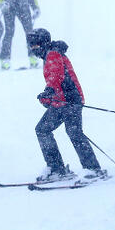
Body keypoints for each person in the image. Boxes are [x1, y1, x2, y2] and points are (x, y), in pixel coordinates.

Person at [28, 28, 106, 183]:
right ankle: (58, 169)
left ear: (42, 43)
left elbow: (57, 75)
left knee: (72, 132)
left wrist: (49, 90)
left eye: (35, 46)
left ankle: (92, 170)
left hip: (71, 101)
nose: (33, 49)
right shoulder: (50, 54)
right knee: (45, 130)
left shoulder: (53, 54)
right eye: (31, 46)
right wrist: (48, 98)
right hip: (62, 102)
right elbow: (56, 80)